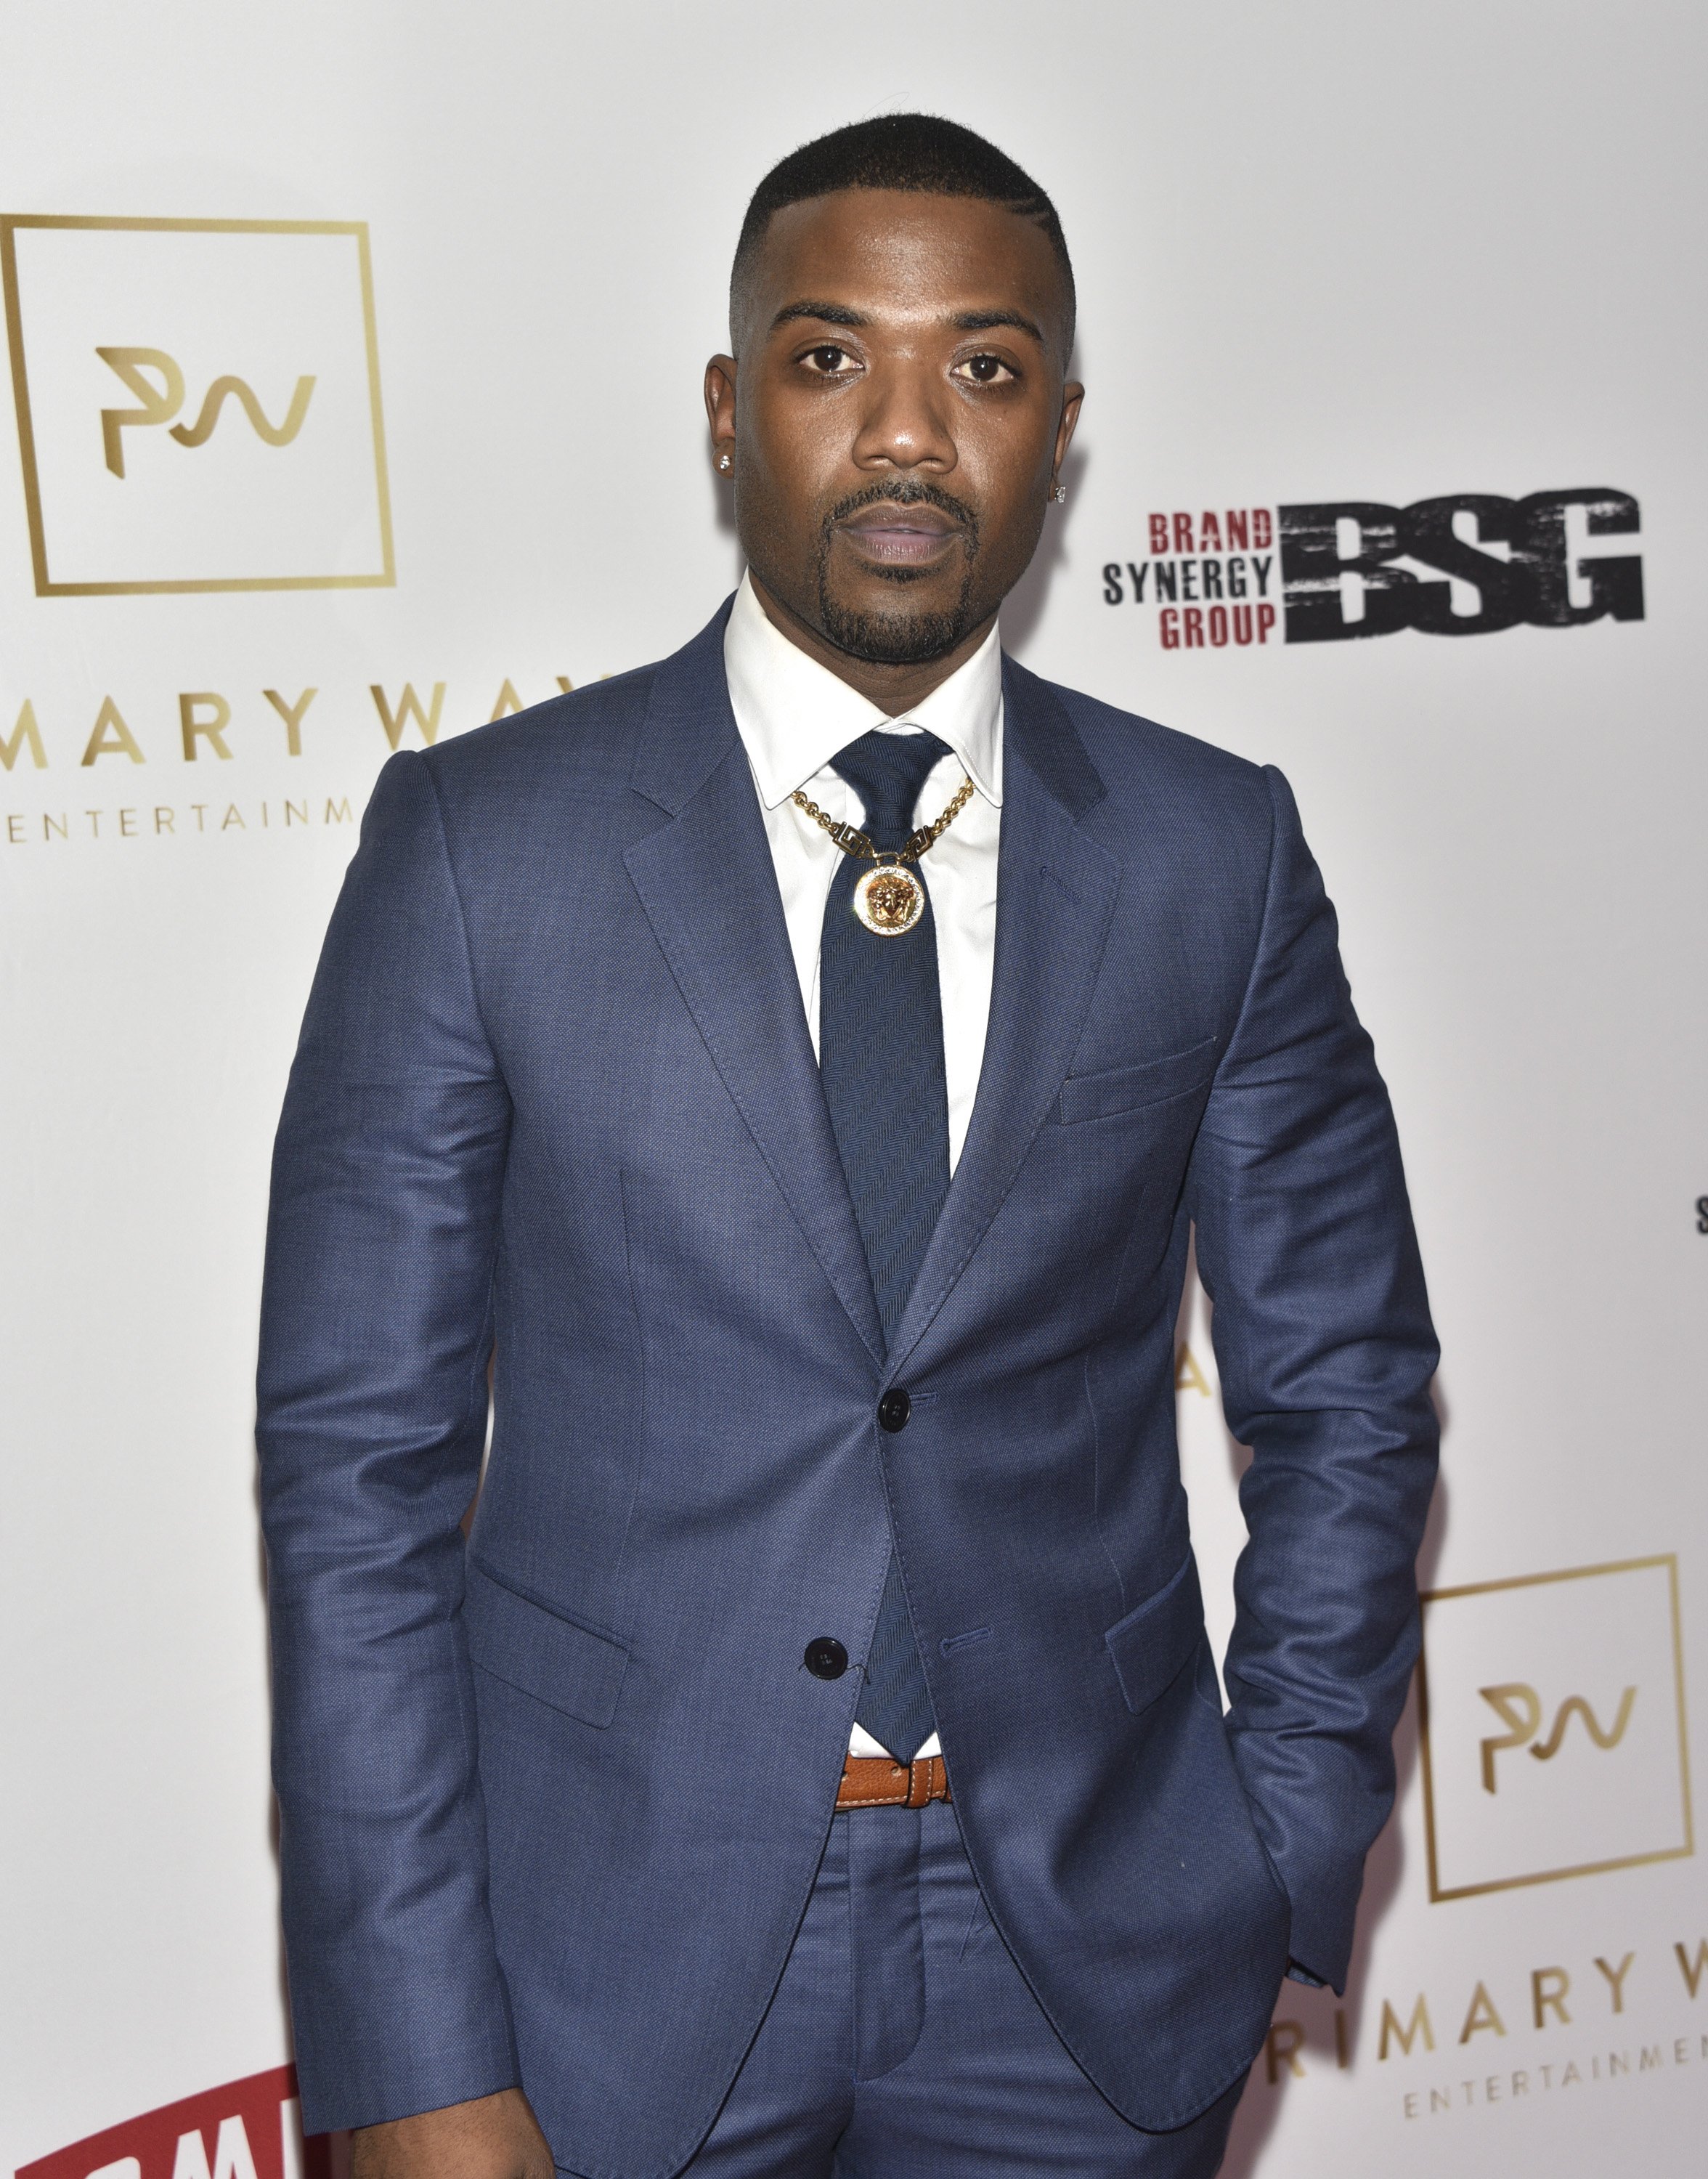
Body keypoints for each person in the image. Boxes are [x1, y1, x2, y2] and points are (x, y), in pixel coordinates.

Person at [257, 113, 1438, 2179]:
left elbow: (1347, 1393)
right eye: (830, 361)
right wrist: (406, 2046)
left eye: (983, 369)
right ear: (729, 411)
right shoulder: (480, 849)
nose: (909, 434)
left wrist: (1273, 1848)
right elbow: (355, 1476)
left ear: (1061, 427)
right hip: (603, 1954)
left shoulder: (1209, 851)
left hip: (1083, 1958)